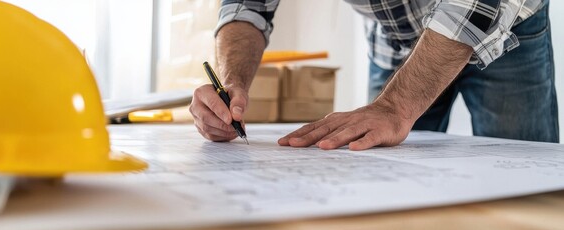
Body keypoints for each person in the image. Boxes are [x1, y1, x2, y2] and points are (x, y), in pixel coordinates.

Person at [189, 0, 557, 150]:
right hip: (396, 35)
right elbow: (247, 5)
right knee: (384, 168)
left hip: (505, 30)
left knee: (523, 165)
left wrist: (396, 106)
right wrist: (232, 82)